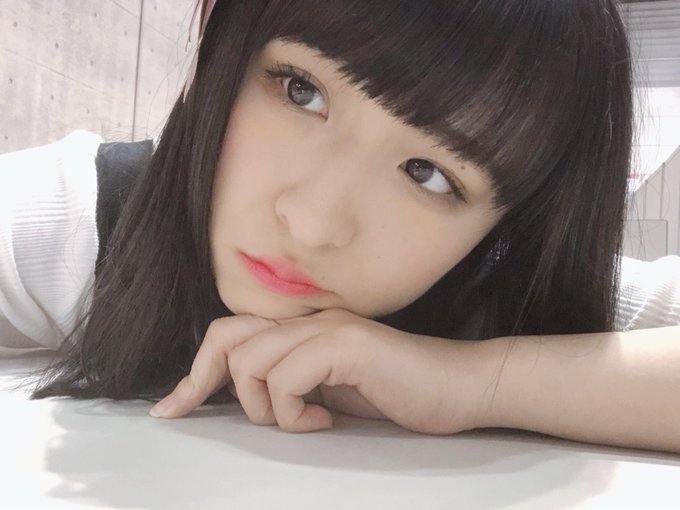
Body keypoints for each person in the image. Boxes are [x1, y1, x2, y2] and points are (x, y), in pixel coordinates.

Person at [1, 0, 679, 453]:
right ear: (218, 39)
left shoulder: (509, 292)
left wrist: (473, 382)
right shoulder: (89, 215)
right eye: (302, 91)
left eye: (427, 173)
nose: (313, 223)